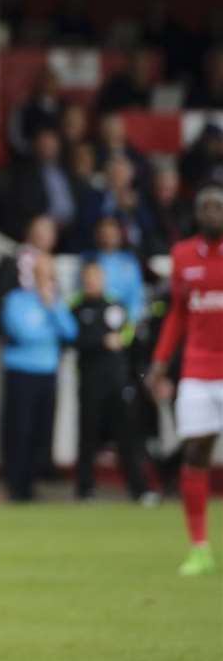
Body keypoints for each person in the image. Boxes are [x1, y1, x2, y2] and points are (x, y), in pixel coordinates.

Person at [146, 185, 223, 576]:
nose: (211, 213)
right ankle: (199, 547)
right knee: (195, 452)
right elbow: (177, 314)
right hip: (196, 368)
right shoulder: (182, 255)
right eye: (205, 207)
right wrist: (160, 362)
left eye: (217, 207)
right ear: (196, 213)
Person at [68, 261, 155, 504]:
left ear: (103, 278)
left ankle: (140, 490)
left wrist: (121, 340)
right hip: (89, 381)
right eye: (88, 277)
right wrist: (101, 341)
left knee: (127, 436)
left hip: (116, 380)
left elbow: (128, 333)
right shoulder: (75, 306)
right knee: (88, 438)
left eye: (95, 277)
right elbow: (73, 338)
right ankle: (85, 490)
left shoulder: (115, 303)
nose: (91, 281)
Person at [0, 252, 76, 502]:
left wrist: (51, 307)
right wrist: (48, 333)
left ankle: (32, 484)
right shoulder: (15, 299)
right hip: (21, 371)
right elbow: (21, 332)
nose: (46, 277)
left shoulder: (55, 300)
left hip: (47, 371)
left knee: (42, 431)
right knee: (20, 430)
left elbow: (70, 331)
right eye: (41, 272)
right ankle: (16, 486)